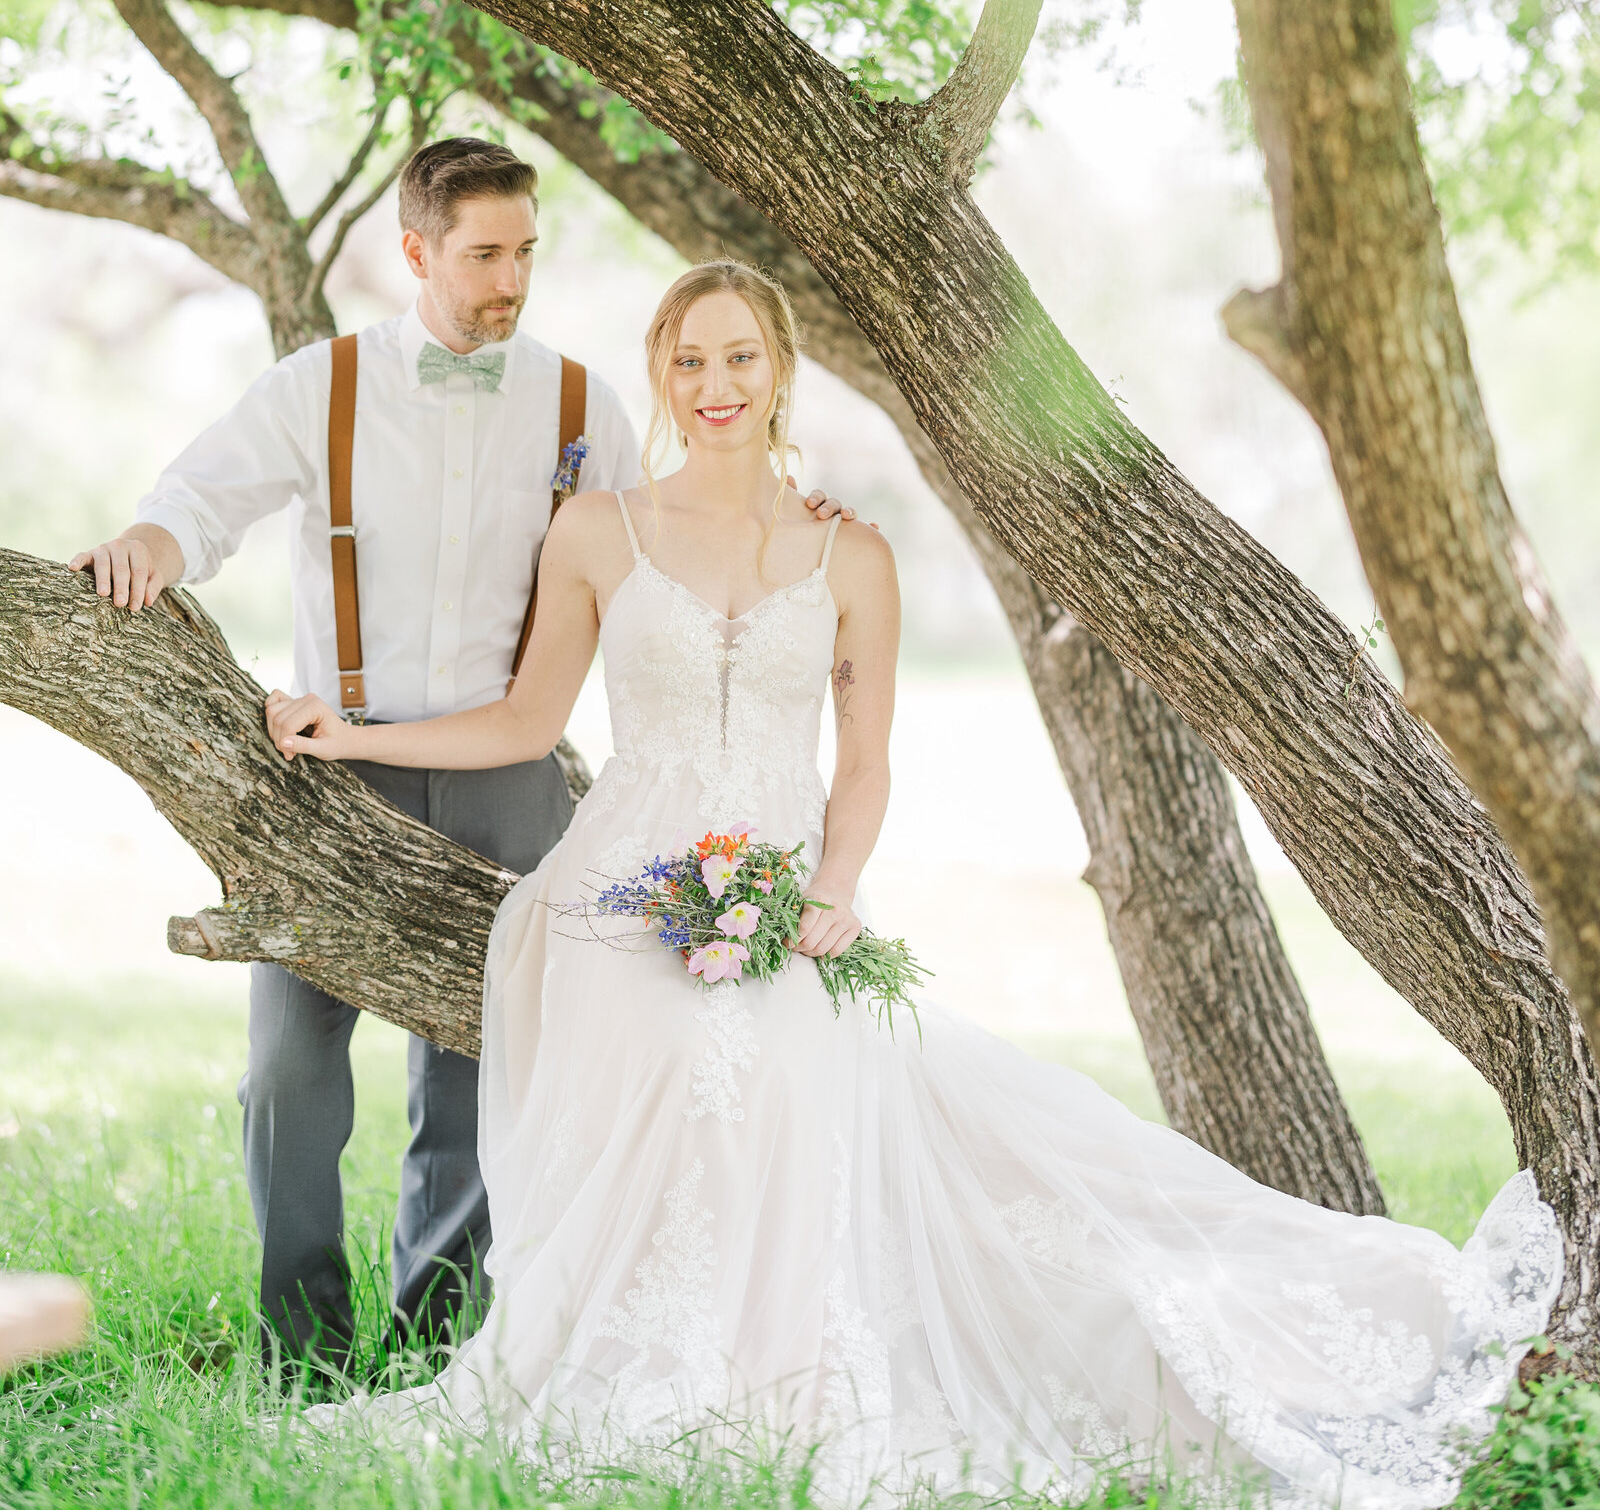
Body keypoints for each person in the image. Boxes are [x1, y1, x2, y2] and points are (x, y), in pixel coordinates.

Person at [263, 258, 1563, 1507]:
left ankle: (778, 1368)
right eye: (690, 359)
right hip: (622, 891)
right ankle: (643, 1355)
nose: (716, 383)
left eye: (741, 357)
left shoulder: (852, 555)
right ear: (661, 375)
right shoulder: (598, 530)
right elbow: (523, 717)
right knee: (665, 1046)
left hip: (785, 884)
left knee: (785, 1070)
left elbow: (868, 765)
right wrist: (357, 733)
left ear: (779, 373)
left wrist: (832, 889)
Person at [69, 139, 849, 1384]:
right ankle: (304, 1350)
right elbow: (199, 498)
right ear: (416, 251)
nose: (511, 279)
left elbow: (660, 556)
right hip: (330, 776)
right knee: (285, 1068)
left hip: (510, 773)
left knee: (476, 1068)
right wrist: (150, 543)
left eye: (527, 250)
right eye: (484, 254)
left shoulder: (582, 404)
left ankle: (438, 1342)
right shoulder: (317, 387)